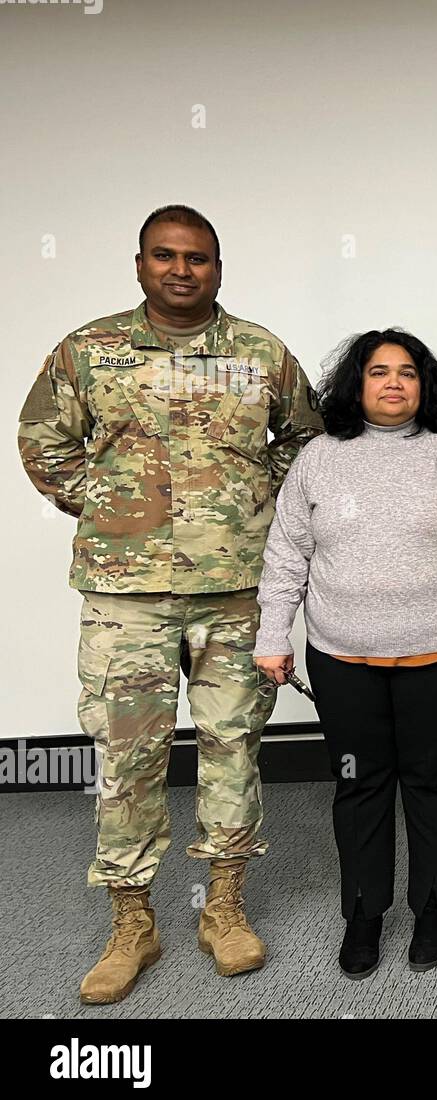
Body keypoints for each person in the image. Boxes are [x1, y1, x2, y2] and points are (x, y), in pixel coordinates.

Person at [17, 204, 323, 1004]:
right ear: (140, 265)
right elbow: (41, 438)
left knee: (233, 747)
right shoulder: (90, 350)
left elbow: (306, 443)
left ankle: (224, 909)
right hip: (127, 594)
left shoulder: (259, 353)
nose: (182, 270)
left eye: (199, 258)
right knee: (126, 762)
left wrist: (257, 508)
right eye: (166, 256)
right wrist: (107, 502)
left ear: (218, 268)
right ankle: (133, 923)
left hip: (235, 589)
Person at [254, 328, 437, 979]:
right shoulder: (317, 459)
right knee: (358, 785)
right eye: (378, 371)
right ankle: (364, 917)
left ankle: (434, 910)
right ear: (356, 384)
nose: (394, 382)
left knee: (432, 784)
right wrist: (271, 634)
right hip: (344, 663)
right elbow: (287, 552)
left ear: (424, 384)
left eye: (407, 371)